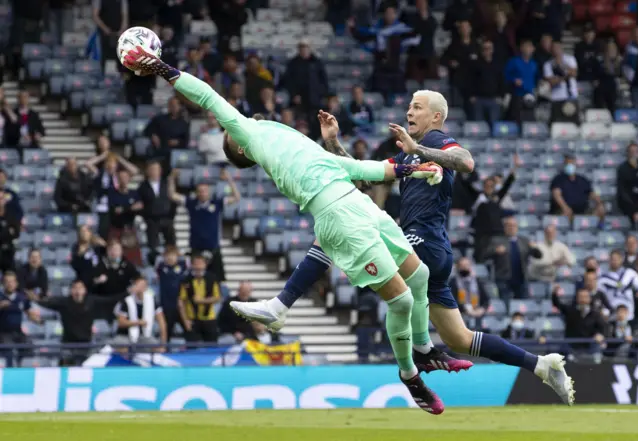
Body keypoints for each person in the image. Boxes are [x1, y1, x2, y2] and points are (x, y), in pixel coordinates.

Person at [124, 46, 449, 413]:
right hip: (336, 212)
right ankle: (410, 374)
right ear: (242, 150)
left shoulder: (295, 142)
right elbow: (208, 96)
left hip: (356, 204)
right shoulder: (250, 136)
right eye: (229, 134)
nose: (230, 127)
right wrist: (164, 68)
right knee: (402, 299)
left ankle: (421, 348)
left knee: (418, 275)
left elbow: (363, 170)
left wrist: (414, 168)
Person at [217, 92, 573, 406]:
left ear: (436, 116)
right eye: (409, 106)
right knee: (460, 338)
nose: (409, 112)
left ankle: (291, 308)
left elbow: (465, 161)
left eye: (417, 107)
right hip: (430, 247)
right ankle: (541, 365)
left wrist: (419, 150)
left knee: (336, 231)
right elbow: (356, 178)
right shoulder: (409, 150)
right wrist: (333, 143)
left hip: (424, 241)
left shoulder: (436, 140)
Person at [168, 169, 240, 281]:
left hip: (213, 247)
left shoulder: (217, 203)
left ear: (209, 192)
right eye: (200, 191)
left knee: (217, 278)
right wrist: (171, 179)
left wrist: (229, 180)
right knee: (194, 278)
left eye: (205, 190)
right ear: (197, 192)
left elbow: (236, 197)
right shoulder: (191, 203)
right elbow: (172, 195)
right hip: (196, 247)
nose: (202, 193)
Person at [113, 276, 167, 353]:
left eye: (142, 285)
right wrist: (138, 323)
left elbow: (162, 323)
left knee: (157, 348)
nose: (140, 288)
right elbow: (121, 322)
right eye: (138, 285)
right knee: (122, 346)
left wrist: (163, 343)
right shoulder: (126, 301)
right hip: (125, 335)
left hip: (144, 336)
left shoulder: (152, 301)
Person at [0, 271, 41, 367]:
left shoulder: (21, 298)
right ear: (3, 284)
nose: (10, 284)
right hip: (3, 333)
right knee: (8, 349)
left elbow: (29, 312)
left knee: (28, 346)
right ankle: (9, 372)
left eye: (12, 281)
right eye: (7, 282)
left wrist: (36, 319)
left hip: (18, 331)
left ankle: (22, 369)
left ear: (16, 283)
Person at [178, 253, 222, 343]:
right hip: (192, 319)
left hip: (209, 318)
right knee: (192, 349)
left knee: (212, 347)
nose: (198, 266)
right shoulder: (186, 280)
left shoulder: (212, 278)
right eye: (196, 263)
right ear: (192, 265)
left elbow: (217, 298)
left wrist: (202, 301)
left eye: (201, 263)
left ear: (205, 265)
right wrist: (185, 320)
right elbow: (181, 301)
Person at [156, 246, 189, 341]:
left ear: (177, 256)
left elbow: (188, 263)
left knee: (188, 329)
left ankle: (192, 351)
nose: (170, 258)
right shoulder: (162, 267)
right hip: (167, 305)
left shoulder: (182, 266)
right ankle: (164, 351)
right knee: (167, 331)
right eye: (168, 255)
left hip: (181, 306)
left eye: (173, 255)